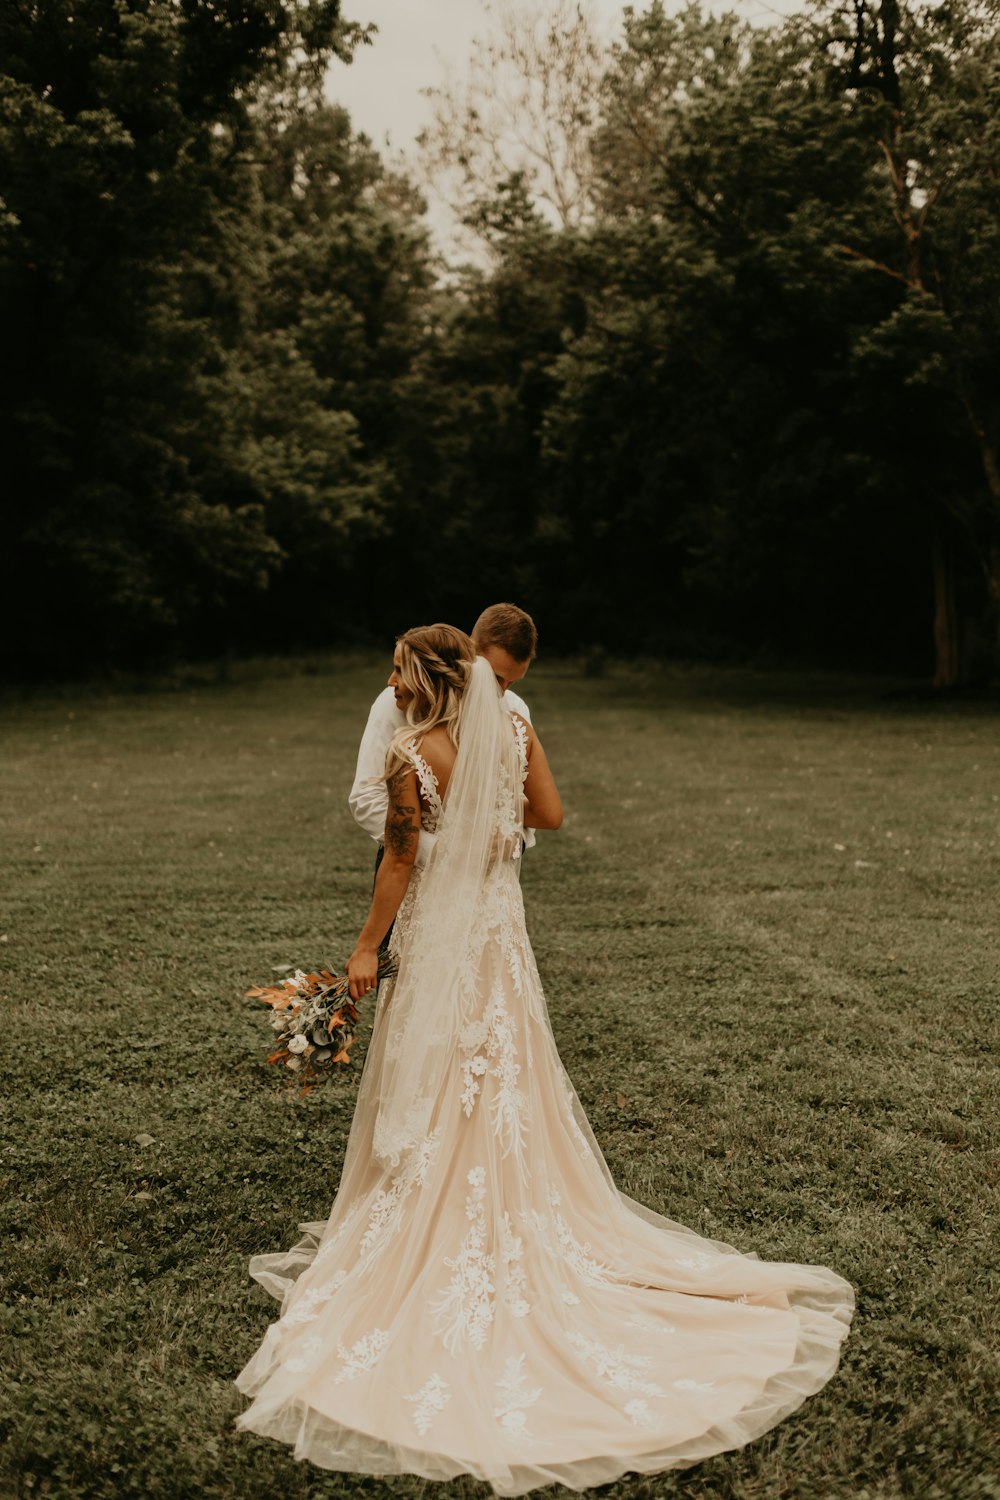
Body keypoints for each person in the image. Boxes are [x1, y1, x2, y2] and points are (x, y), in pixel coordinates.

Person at [235, 625, 853, 1495]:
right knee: (506, 1072)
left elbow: (402, 858)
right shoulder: (516, 728)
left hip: (442, 935)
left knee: (438, 1069)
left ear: (424, 679)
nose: (390, 680)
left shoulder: (410, 753)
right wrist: (489, 825)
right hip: (499, 936)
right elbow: (549, 817)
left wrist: (366, 949)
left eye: (398, 670)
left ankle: (430, 1215)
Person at [349, 602, 537, 874]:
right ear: (470, 650)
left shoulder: (514, 709)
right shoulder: (396, 701)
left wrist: (515, 840)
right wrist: (438, 852)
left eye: (513, 682)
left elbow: (519, 797)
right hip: (411, 868)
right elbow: (366, 797)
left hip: (486, 876)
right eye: (496, 677)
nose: (502, 691)